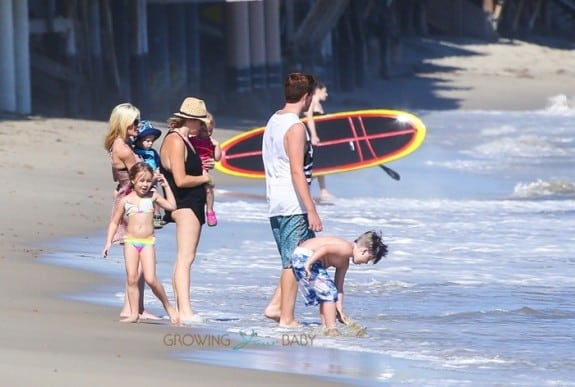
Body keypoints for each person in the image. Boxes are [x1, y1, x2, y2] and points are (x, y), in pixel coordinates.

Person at [262, 72, 323, 327]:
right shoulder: (296, 127)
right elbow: (297, 171)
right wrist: (311, 209)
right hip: (292, 204)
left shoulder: (273, 120)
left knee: (295, 256)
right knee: (293, 260)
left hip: (276, 201)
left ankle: (276, 306)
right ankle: (286, 317)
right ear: (307, 97)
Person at [102, 162, 179, 324]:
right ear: (132, 180)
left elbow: (172, 206)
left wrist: (166, 186)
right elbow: (114, 222)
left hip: (147, 242)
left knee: (150, 278)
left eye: (148, 181)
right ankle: (134, 313)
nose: (145, 185)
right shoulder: (125, 200)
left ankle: (169, 306)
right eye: (141, 181)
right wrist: (108, 242)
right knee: (132, 278)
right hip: (131, 241)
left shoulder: (153, 196)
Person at [159, 97, 213, 323]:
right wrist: (204, 177)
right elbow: (180, 180)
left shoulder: (182, 139)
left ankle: (183, 308)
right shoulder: (177, 140)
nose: (201, 127)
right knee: (186, 258)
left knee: (183, 258)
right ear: (190, 120)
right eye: (199, 122)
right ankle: (186, 310)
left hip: (188, 203)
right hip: (186, 203)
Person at [103, 103, 156, 320]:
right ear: (123, 123)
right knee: (139, 253)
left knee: (137, 253)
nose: (138, 125)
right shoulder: (123, 148)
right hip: (131, 203)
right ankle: (132, 308)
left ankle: (137, 307)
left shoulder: (122, 144)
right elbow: (142, 173)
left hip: (128, 198)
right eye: (134, 122)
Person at [291, 230, 388, 336]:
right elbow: (325, 249)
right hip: (305, 257)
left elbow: (339, 288)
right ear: (364, 251)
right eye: (368, 259)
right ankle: (332, 329)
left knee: (328, 293)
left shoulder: (344, 262)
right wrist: (309, 263)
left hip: (304, 257)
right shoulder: (347, 247)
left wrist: (340, 310)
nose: (365, 262)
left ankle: (325, 327)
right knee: (328, 292)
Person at [189, 112, 221, 226]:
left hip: (204, 171)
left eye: (210, 131)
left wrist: (217, 146)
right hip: (194, 169)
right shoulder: (191, 140)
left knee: (208, 188)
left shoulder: (211, 142)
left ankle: (210, 211)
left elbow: (217, 158)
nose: (207, 134)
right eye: (204, 131)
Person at [305, 82, 334, 201]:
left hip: (318, 137)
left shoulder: (319, 104)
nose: (326, 94)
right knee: (313, 165)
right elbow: (309, 118)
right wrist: (313, 135)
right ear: (318, 90)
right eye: (324, 91)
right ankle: (301, 189)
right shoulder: (311, 101)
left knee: (320, 164)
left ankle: (323, 190)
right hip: (310, 137)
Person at [133, 120, 164, 228]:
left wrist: (158, 171)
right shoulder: (135, 152)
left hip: (153, 179)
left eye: (152, 141)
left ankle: (156, 216)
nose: (150, 143)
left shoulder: (153, 152)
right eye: (147, 141)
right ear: (138, 141)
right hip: (141, 180)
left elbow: (158, 163)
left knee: (154, 195)